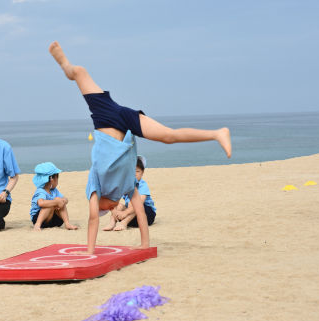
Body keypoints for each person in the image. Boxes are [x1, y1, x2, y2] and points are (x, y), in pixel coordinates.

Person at [48, 41, 232, 254]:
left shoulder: (95, 187)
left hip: (105, 117)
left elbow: (91, 219)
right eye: (106, 210)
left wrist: (90, 251)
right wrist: (145, 245)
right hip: (126, 126)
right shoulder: (127, 186)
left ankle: (65, 64)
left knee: (79, 72)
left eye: (104, 209)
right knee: (168, 137)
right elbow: (141, 213)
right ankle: (217, 133)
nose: (106, 209)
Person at [102, 156, 156, 231]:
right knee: (118, 205)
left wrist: (125, 213)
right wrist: (115, 212)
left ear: (142, 173)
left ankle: (124, 223)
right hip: (133, 218)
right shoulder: (125, 185)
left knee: (134, 203)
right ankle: (112, 223)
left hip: (147, 216)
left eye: (137, 171)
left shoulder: (142, 185)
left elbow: (139, 203)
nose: (134, 174)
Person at [30, 162, 78, 231]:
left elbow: (65, 198)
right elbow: (41, 203)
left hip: (55, 220)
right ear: (51, 179)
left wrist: (63, 201)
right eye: (57, 178)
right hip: (40, 219)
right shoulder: (41, 191)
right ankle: (37, 225)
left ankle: (67, 223)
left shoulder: (54, 190)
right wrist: (55, 202)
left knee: (59, 200)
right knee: (50, 204)